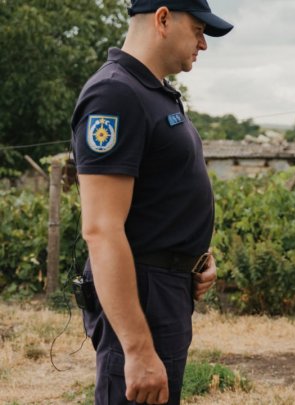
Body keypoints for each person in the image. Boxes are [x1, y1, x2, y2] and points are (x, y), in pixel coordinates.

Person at [70, 1, 232, 404]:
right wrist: (138, 350)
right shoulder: (115, 94)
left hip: (165, 290)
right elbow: (101, 229)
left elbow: (157, 200)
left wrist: (195, 256)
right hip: (142, 292)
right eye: (198, 30)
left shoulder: (152, 92)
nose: (203, 44)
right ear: (163, 19)